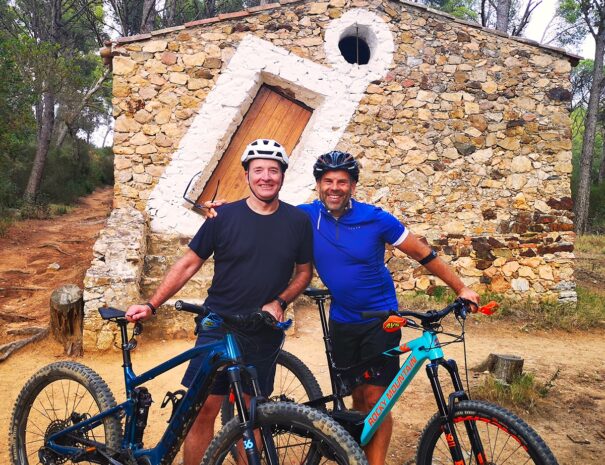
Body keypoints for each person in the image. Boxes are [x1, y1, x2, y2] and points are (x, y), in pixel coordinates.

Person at [204, 150, 480, 465]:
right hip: (342, 321)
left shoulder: (376, 218)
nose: (334, 187)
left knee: (377, 401)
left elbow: (423, 254)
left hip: (382, 319)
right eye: (327, 181)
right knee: (357, 398)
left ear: (352, 186)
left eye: (342, 182)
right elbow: (263, 210)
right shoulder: (306, 216)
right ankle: (356, 454)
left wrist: (461, 287)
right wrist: (223, 211)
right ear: (319, 185)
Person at [125, 139, 313, 465]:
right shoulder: (222, 216)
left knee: (250, 414)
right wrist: (152, 304)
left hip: (262, 330)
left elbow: (304, 272)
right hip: (218, 324)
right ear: (247, 175)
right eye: (259, 170)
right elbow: (188, 263)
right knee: (203, 411)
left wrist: (281, 300)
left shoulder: (297, 221)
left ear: (282, 176)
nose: (266, 177)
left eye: (273, 170)